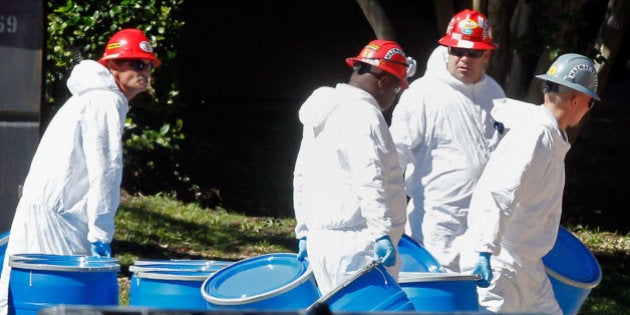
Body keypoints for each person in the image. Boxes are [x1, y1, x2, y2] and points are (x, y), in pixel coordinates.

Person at [0, 28, 160, 314]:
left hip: (54, 212)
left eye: (148, 64)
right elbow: (106, 172)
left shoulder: (94, 98)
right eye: (136, 63)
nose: (145, 70)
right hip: (60, 218)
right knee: (61, 301)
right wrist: (101, 232)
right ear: (113, 66)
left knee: (24, 296)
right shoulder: (105, 101)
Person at [463, 53, 600, 314]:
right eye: (590, 103)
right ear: (576, 99)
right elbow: (499, 191)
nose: (588, 109)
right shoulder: (534, 134)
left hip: (527, 266)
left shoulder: (549, 135)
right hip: (500, 262)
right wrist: (484, 249)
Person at [292, 39, 416, 295]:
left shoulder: (323, 110)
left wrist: (303, 230)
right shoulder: (363, 114)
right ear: (383, 82)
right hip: (359, 244)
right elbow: (370, 176)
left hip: (321, 242)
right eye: (396, 88)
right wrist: (382, 234)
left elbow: (302, 174)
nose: (394, 96)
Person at [389, 9, 506, 275]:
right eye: (456, 50)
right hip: (432, 224)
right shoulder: (422, 93)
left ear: (487, 54)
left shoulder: (496, 93)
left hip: (483, 226)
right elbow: (394, 157)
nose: (464, 58)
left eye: (474, 52)